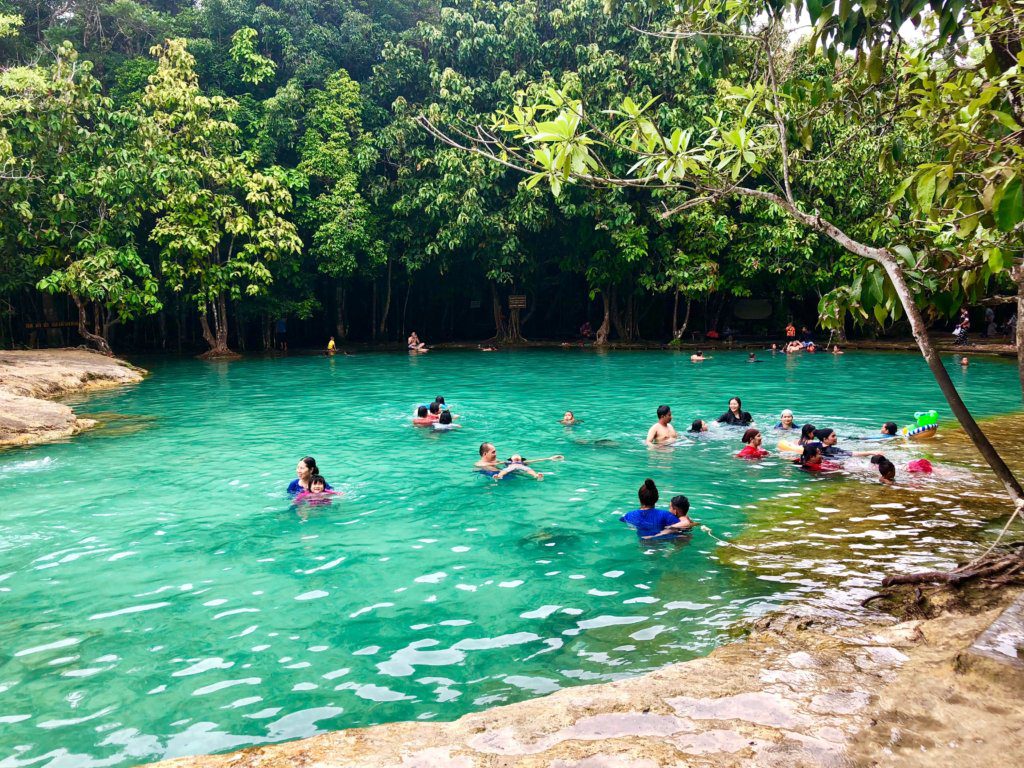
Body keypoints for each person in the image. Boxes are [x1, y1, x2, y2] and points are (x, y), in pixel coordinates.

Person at [620, 479, 693, 539]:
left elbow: (623, 521)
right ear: (657, 498)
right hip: (661, 545)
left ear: (639, 499)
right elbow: (686, 524)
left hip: (642, 544)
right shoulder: (666, 516)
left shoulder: (629, 515)